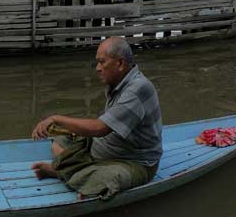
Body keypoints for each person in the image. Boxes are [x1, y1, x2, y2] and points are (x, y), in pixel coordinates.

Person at [30, 36, 162, 200]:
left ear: (120, 64)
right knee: (59, 142)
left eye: (102, 62)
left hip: (134, 162)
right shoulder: (118, 83)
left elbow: (100, 128)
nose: (98, 68)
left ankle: (63, 172)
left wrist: (56, 118)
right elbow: (104, 126)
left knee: (106, 179)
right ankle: (75, 172)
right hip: (106, 147)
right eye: (97, 63)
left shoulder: (138, 88)